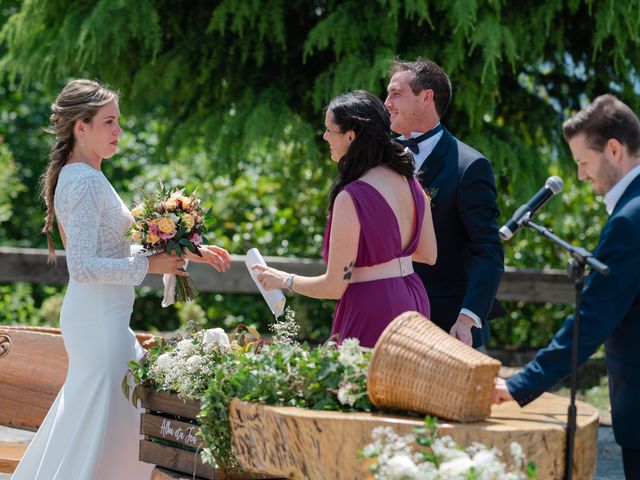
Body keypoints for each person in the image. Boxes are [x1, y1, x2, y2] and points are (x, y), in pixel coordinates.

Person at [12, 79, 231, 480]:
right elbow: (82, 266)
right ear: (81, 126)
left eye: (119, 122)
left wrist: (183, 253)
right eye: (109, 122)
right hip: (97, 324)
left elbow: (110, 255)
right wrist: (151, 266)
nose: (119, 132)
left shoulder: (88, 175)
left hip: (107, 321)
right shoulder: (81, 180)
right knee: (107, 434)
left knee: (109, 431)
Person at [493, 94, 640, 480]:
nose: (580, 175)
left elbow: (593, 316)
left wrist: (523, 383)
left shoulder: (630, 219)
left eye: (583, 162)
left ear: (614, 149)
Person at [254, 90, 436, 348]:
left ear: (351, 136)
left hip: (373, 308)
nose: (325, 136)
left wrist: (285, 280)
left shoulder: (352, 197)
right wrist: (387, 257)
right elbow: (429, 254)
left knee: (362, 386)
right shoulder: (411, 182)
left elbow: (334, 286)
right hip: (414, 300)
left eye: (330, 130)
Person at [384, 58, 505, 347]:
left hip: (446, 326)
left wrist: (467, 319)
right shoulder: (380, 158)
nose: (386, 102)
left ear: (426, 97)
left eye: (395, 94)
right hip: (386, 317)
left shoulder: (469, 166)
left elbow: (488, 252)